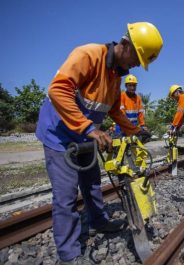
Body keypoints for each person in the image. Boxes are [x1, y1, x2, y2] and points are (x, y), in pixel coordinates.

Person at [35, 22, 163, 265]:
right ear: (125, 45)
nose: (137, 65)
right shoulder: (89, 55)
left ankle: (99, 221)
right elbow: (58, 91)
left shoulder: (115, 75)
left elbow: (114, 109)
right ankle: (69, 252)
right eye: (137, 58)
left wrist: (135, 130)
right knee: (66, 195)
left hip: (85, 135)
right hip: (59, 135)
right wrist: (89, 128)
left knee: (92, 183)